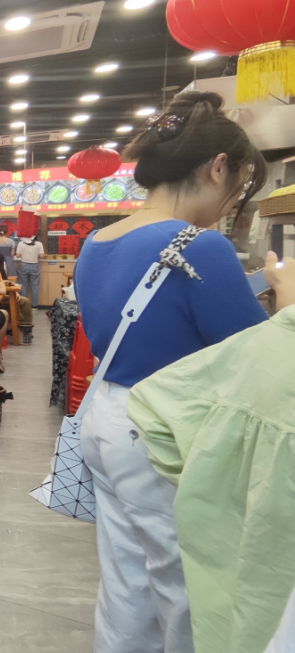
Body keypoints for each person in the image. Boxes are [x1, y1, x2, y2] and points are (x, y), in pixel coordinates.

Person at [74, 90, 267, 653]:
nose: (228, 205)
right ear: (218, 167)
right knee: (187, 586)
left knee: (126, 578)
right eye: (237, 190)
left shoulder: (97, 240)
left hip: (108, 418)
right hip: (166, 432)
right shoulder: (201, 247)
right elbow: (256, 354)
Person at [126, 252, 295, 653]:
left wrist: (207, 478)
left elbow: (152, 408)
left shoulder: (264, 349)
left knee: (135, 576)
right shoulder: (206, 251)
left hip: (240, 568)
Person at [15, 234, 44, 306]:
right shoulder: (39, 244)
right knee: (35, 287)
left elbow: (18, 255)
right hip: (35, 265)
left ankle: (23, 305)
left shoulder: (21, 243)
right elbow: (42, 256)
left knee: (23, 286)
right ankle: (34, 306)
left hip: (23, 265)